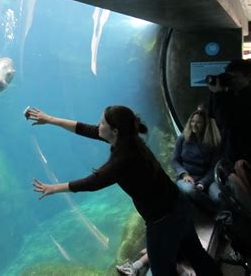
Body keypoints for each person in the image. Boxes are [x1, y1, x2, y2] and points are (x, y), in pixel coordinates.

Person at [26, 105, 221, 276]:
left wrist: (54, 188)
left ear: (115, 130)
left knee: (162, 271)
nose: (97, 125)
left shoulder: (122, 159)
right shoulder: (128, 139)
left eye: (102, 122)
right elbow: (85, 129)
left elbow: (92, 183)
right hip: (179, 205)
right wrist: (50, 119)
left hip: (162, 222)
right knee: (197, 255)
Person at [172, 107, 221, 212]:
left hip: (207, 178)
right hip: (186, 178)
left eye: (198, 122)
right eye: (192, 121)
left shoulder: (212, 143)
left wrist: (203, 183)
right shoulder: (182, 138)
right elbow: (175, 160)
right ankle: (216, 213)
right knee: (190, 190)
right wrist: (184, 174)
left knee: (217, 197)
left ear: (205, 125)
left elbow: (214, 167)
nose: (194, 125)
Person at [208, 59, 251, 165]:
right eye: (228, 77)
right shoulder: (228, 94)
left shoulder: (247, 97)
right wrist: (214, 93)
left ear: (248, 77)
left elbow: (227, 121)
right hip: (229, 153)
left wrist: (218, 95)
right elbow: (212, 115)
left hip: (245, 156)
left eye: (234, 77)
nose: (231, 80)